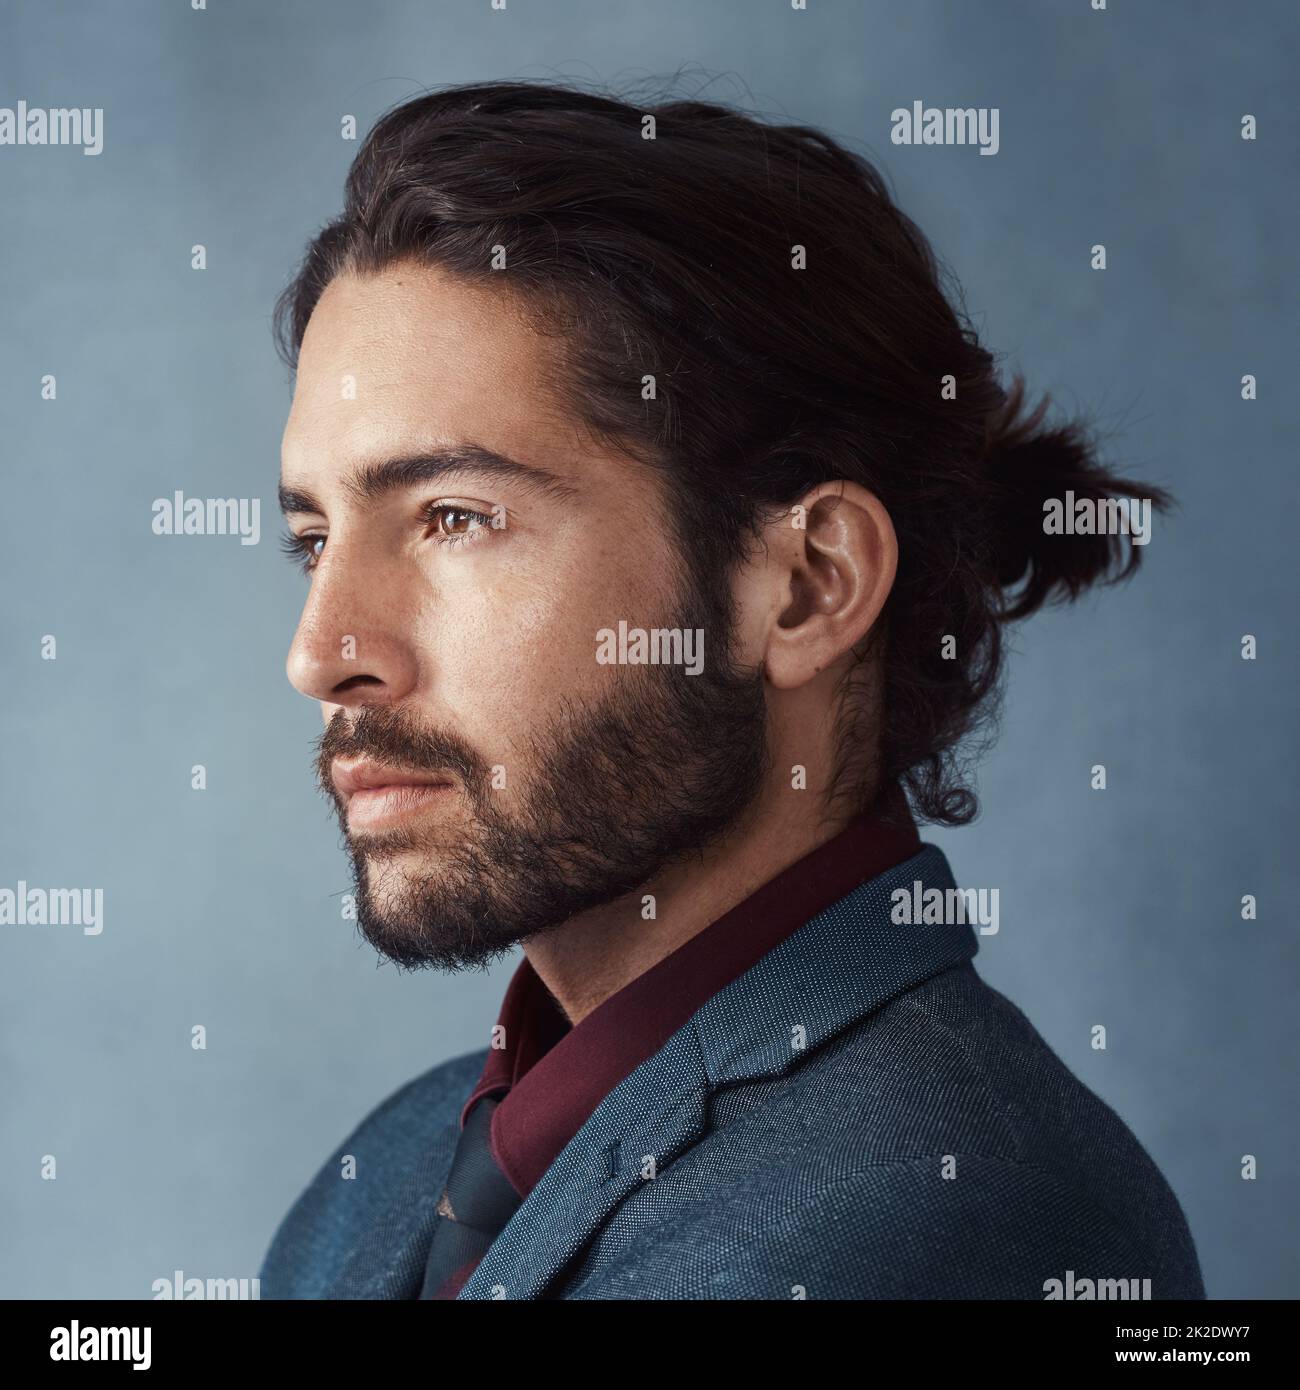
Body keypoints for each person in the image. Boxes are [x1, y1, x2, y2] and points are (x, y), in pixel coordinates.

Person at [259, 80, 1203, 1300]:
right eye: (315, 539)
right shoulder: (384, 1174)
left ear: (806, 585)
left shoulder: (941, 1214)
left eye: (454, 517)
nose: (322, 650)